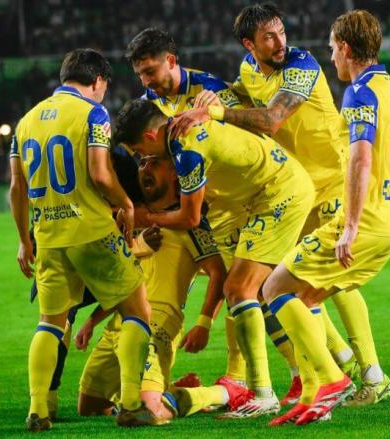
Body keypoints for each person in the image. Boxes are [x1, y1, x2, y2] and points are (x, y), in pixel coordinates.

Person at [170, 2, 375, 407]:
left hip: (332, 177)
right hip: (295, 186)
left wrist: (217, 111)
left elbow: (272, 119)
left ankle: (370, 371)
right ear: (250, 44)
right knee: (286, 281)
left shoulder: (302, 63)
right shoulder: (248, 70)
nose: (281, 41)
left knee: (336, 271)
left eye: (281, 31)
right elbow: (244, 99)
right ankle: (339, 362)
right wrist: (210, 99)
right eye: (269, 36)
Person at [263, 9, 390, 426]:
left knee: (274, 288)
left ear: (346, 48)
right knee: (305, 300)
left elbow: (359, 160)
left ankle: (330, 382)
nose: (330, 56)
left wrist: (351, 225)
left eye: (332, 48)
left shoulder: (360, 93)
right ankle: (337, 387)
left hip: (364, 220)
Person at [115, 98, 315, 418]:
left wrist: (146, 217)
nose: (142, 159)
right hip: (261, 196)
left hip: (279, 194)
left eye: (140, 152)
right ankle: (307, 377)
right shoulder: (180, 129)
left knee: (240, 289)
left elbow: (190, 218)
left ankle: (268, 391)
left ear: (150, 137)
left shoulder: (187, 148)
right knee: (261, 290)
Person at [127, 26, 301, 391]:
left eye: (150, 72)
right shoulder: (151, 101)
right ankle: (259, 377)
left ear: (171, 61)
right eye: (141, 75)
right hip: (202, 206)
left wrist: (213, 114)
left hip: (238, 202)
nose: (147, 82)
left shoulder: (210, 90)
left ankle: (266, 376)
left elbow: (249, 135)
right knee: (242, 290)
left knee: (250, 288)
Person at [9, 48, 157, 431]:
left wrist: (25, 241)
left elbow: (16, 187)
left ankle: (39, 409)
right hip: (91, 231)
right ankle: (128, 403)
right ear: (97, 81)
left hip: (48, 237)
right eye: (103, 88)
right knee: (138, 312)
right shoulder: (93, 113)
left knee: (51, 323)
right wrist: (124, 203)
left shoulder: (24, 123)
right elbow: (100, 172)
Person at [77, 154, 252, 421]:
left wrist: (204, 323)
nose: (145, 168)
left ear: (174, 172)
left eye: (154, 162)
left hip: (159, 321)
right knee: (89, 407)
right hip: (121, 320)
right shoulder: (134, 217)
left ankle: (223, 393)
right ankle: (172, 390)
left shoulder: (190, 223)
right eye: (142, 163)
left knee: (148, 412)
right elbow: (124, 277)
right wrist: (92, 320)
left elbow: (218, 273)